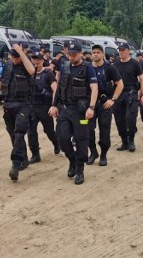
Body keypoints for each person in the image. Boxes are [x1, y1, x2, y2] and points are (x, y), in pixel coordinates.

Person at [0, 43, 35, 181]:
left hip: (23, 104)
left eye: (16, 57)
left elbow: (32, 71)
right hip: (8, 104)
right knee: (13, 134)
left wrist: (21, 52)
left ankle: (15, 164)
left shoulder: (25, 64)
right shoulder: (8, 65)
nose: (14, 60)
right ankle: (23, 158)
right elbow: (1, 81)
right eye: (12, 57)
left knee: (19, 133)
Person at [49, 42, 98, 185]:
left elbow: (94, 88)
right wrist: (53, 105)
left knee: (82, 140)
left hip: (81, 111)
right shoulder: (64, 67)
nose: (71, 57)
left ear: (81, 53)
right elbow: (59, 87)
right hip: (65, 109)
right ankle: (72, 160)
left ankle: (80, 169)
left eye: (74, 54)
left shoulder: (87, 68)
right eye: (69, 54)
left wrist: (92, 107)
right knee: (62, 137)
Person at [87, 44, 123, 166]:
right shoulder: (87, 67)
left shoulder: (109, 68)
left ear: (102, 54)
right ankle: (93, 152)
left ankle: (103, 154)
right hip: (90, 104)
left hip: (104, 103)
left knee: (104, 130)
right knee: (88, 129)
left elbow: (120, 84)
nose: (95, 54)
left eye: (98, 52)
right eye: (94, 52)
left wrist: (113, 99)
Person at [113, 42, 143, 152]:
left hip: (131, 93)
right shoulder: (116, 64)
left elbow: (142, 79)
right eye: (120, 50)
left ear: (128, 51)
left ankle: (131, 140)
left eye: (123, 50)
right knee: (119, 120)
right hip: (119, 94)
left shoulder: (134, 63)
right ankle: (124, 141)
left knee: (130, 118)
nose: (121, 52)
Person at [27, 51, 61, 162]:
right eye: (34, 59)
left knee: (49, 130)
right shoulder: (30, 73)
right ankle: (35, 154)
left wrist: (53, 105)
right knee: (31, 131)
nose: (36, 61)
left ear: (42, 60)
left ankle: (56, 142)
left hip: (44, 107)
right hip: (32, 106)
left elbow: (55, 89)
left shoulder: (48, 74)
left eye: (38, 59)